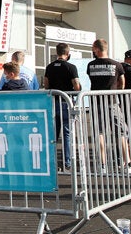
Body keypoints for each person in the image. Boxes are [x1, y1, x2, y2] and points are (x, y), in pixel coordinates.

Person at [87, 39, 131, 173]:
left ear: (96, 49)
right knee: (121, 132)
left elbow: (91, 80)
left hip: (96, 102)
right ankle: (127, 163)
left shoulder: (91, 65)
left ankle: (102, 165)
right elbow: (122, 82)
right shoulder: (116, 65)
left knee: (100, 133)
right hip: (112, 102)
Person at [43, 43, 80, 172]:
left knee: (53, 134)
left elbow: (46, 85)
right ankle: (67, 162)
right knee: (67, 134)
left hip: (53, 102)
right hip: (66, 102)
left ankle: (53, 162)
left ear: (57, 52)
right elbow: (76, 86)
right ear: (68, 53)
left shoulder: (49, 67)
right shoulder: (71, 67)